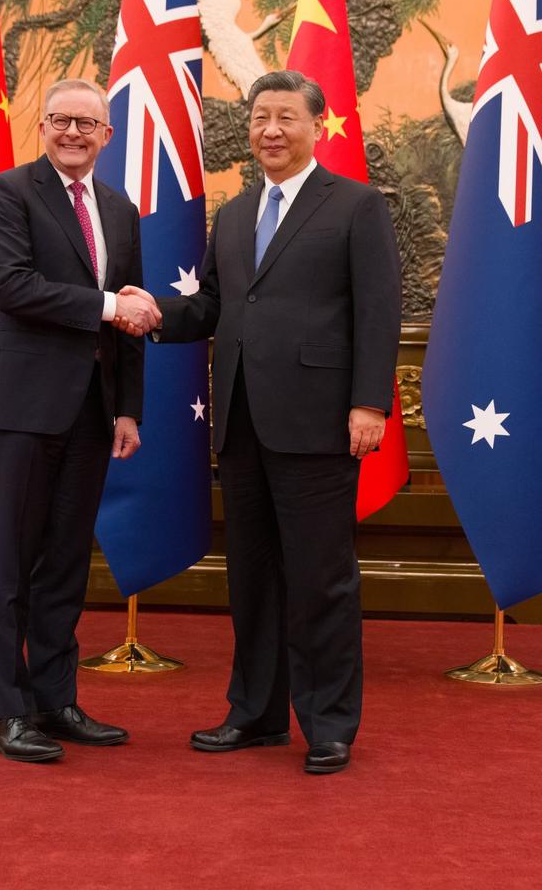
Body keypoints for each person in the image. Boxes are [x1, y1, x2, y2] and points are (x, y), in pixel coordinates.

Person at [117, 70, 401, 774]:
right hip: (241, 423)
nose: (270, 130)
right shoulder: (237, 213)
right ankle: (256, 714)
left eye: (285, 118)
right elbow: (213, 305)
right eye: (259, 117)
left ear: (316, 126)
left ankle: (329, 724)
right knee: (252, 579)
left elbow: (379, 309)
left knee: (320, 580)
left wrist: (369, 403)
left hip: (320, 424)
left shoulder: (357, 206)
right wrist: (151, 311)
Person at [0, 78, 160, 763]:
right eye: (60, 120)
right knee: (10, 566)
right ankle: (10, 712)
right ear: (42, 127)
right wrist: (110, 307)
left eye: (87, 123)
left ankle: (55, 701)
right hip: (21, 407)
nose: (73, 132)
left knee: (65, 566)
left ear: (107, 136)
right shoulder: (8, 192)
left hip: (91, 410)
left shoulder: (120, 208)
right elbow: (13, 286)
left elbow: (133, 312)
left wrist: (129, 408)